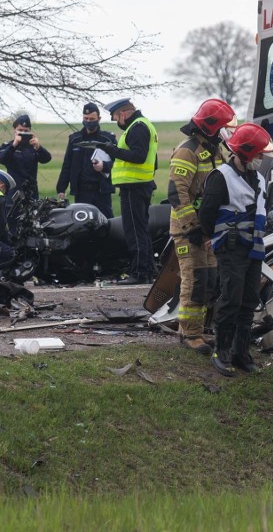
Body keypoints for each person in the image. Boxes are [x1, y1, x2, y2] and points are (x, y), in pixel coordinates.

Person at [198, 123, 273, 376]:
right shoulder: (222, 176)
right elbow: (206, 213)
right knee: (231, 298)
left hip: (254, 248)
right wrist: (215, 236)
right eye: (259, 154)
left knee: (250, 299)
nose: (261, 160)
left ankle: (242, 353)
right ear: (246, 153)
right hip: (231, 248)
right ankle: (222, 352)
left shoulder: (260, 179)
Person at [168, 99, 238, 355]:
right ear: (209, 126)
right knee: (195, 281)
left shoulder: (215, 148)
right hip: (190, 230)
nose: (224, 132)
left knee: (210, 280)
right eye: (221, 127)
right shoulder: (188, 151)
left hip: (210, 228)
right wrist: (193, 226)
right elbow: (177, 193)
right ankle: (190, 334)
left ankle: (198, 330)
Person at [94, 98, 158, 285]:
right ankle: (146, 270)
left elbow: (138, 156)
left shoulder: (138, 127)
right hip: (139, 185)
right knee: (141, 230)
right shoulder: (142, 125)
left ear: (123, 113)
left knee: (134, 231)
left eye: (115, 116)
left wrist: (111, 150)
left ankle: (139, 272)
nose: (115, 121)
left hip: (134, 186)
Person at [56, 103, 117, 217]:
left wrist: (104, 166)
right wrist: (61, 188)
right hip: (81, 191)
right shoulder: (75, 139)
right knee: (82, 225)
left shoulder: (108, 139)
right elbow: (67, 165)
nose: (89, 121)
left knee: (106, 223)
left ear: (99, 119)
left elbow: (118, 163)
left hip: (101, 191)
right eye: (86, 118)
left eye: (92, 119)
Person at [0, 114, 52, 200]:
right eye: (20, 130)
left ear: (30, 131)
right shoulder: (8, 146)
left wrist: (38, 147)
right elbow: (1, 159)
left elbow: (47, 159)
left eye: (26, 131)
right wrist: (14, 145)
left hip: (31, 191)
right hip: (14, 191)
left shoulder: (33, 147)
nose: (23, 133)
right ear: (14, 130)